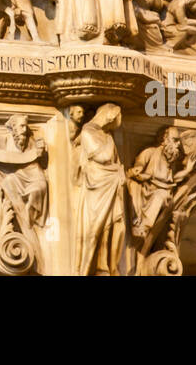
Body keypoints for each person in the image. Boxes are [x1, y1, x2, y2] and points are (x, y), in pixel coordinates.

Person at [74, 104, 127, 275]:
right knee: (93, 229)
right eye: (112, 123)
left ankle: (105, 265)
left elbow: (115, 162)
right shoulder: (88, 131)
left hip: (110, 184)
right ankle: (84, 268)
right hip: (96, 186)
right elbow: (103, 157)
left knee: (113, 226)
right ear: (109, 116)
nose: (112, 128)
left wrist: (120, 171)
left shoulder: (107, 135)